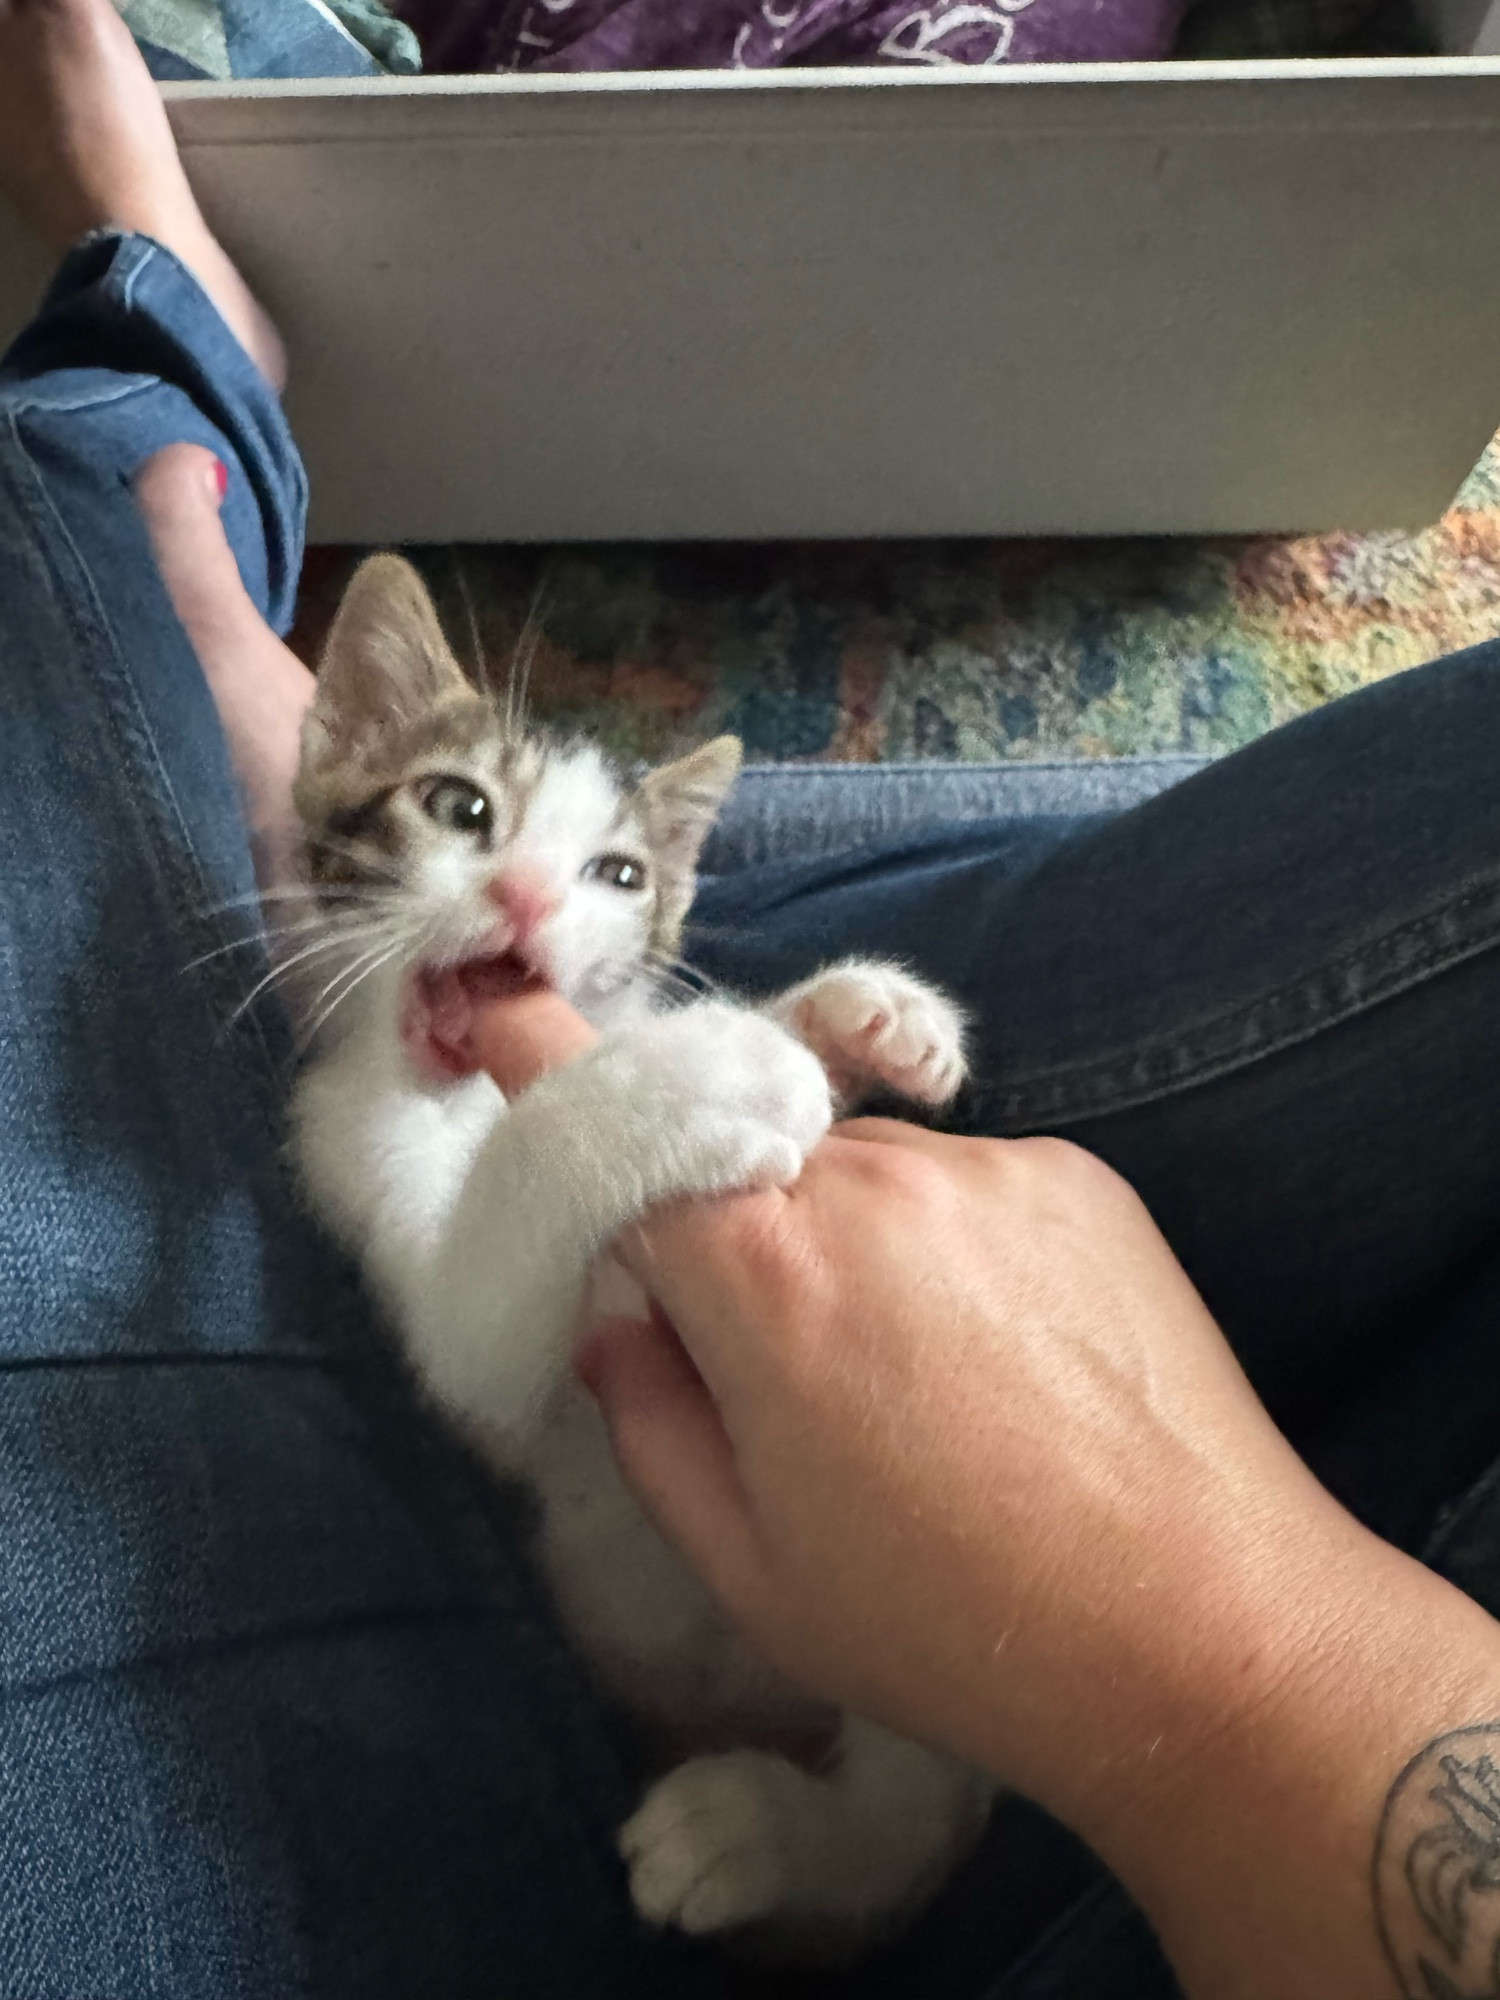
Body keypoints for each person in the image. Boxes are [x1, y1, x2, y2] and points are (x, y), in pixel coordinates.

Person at [1, 6, 1498, 1996]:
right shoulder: (377, 1085)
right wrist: (760, 1062)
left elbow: (571, 1260)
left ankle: (150, 455)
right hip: (918, 1571)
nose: (535, 883)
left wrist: (743, 1056)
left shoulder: (545, 1036)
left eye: (611, 871)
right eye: (468, 811)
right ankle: (174, 508)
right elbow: (556, 1266)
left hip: (791, 1657)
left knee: (40, 593)